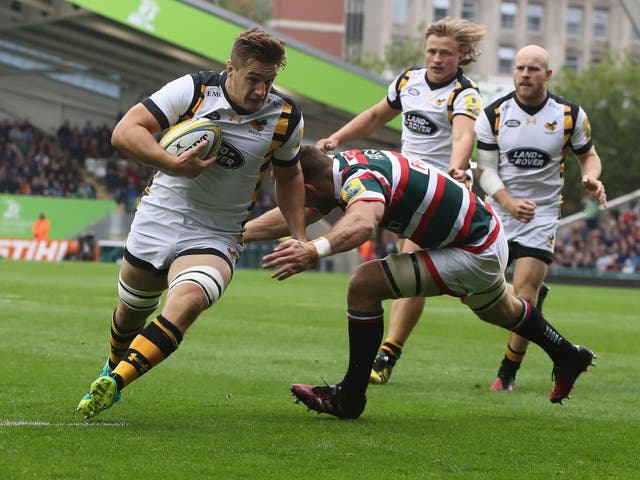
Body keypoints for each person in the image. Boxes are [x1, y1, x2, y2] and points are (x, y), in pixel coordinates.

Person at [243, 145, 596, 419]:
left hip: (472, 249)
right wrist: (234, 235)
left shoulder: (358, 179)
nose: (292, 202)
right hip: (482, 235)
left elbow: (364, 223)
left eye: (292, 193)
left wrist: (314, 249)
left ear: (306, 187)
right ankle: (569, 354)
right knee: (500, 311)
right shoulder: (336, 170)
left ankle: (349, 397)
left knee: (364, 283)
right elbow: (300, 212)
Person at [76, 27, 307, 420]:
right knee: (131, 311)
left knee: (190, 300)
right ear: (230, 68)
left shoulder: (285, 118)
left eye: (269, 81)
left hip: (217, 232)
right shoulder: (194, 90)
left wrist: (300, 236)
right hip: (160, 216)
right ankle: (113, 364)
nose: (261, 91)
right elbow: (125, 131)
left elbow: (288, 177)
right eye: (253, 79)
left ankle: (116, 382)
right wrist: (171, 163)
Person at [317, 18, 485, 384]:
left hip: (439, 191)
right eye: (432, 51)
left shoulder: (465, 94)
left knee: (409, 262)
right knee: (409, 266)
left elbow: (463, 136)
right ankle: (465, 280)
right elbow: (377, 115)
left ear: (461, 57)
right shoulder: (409, 81)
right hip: (403, 186)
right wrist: (338, 137)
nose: (437, 59)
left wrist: (457, 168)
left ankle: (388, 354)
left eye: (446, 53)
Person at [475, 44, 607, 391]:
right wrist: (508, 200)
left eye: (533, 69)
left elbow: (588, 156)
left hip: (543, 214)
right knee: (476, 288)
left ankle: (507, 372)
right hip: (499, 211)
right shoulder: (493, 114)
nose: (525, 74)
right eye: (519, 68)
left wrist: (591, 178)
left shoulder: (569, 115)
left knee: (526, 293)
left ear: (547, 74)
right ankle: (529, 309)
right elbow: (485, 171)